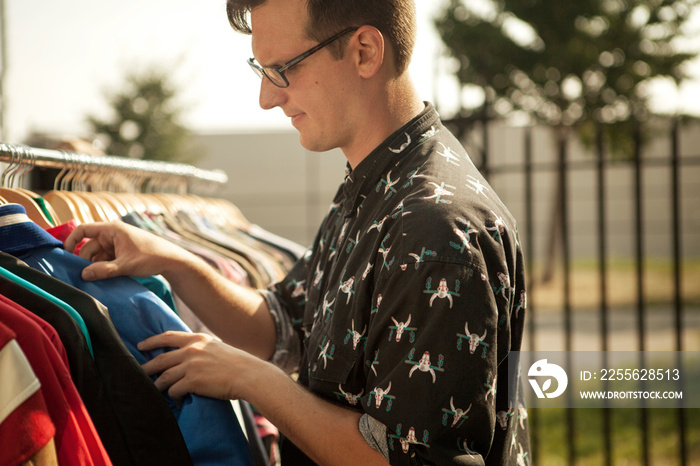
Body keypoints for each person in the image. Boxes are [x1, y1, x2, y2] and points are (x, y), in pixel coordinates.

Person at [65, 0, 531, 464]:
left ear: (365, 51)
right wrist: (173, 260)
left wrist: (252, 380)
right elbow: (287, 327)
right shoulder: (377, 185)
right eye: (260, 69)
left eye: (282, 68)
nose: (266, 97)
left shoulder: (434, 228)